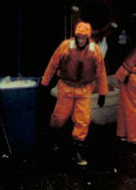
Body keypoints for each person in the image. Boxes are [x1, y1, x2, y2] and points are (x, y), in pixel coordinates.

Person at [41, 21, 109, 167]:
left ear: (88, 38)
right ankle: (54, 139)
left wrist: (103, 93)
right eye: (79, 37)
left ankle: (76, 150)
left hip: (84, 89)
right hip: (66, 87)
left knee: (83, 120)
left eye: (84, 38)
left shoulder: (95, 50)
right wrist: (45, 83)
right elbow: (53, 64)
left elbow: (101, 73)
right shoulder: (65, 46)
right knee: (59, 117)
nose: (81, 41)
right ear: (75, 36)